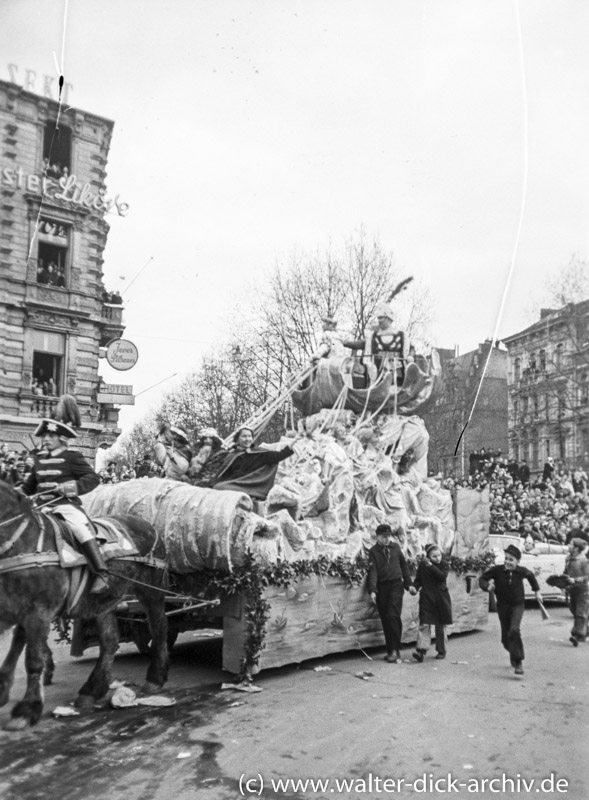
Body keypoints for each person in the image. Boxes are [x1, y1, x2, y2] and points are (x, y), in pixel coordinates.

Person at [19, 418, 109, 595]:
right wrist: (17, 492)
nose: (45, 439)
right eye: (44, 436)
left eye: (50, 436)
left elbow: (92, 478)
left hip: (64, 506)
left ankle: (101, 573)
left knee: (80, 529)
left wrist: (71, 487)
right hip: (40, 508)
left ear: (61, 438)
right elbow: (28, 487)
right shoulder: (39, 459)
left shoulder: (72, 457)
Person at [479, 544, 542, 676]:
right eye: (506, 559)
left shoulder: (521, 571)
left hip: (518, 605)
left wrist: (537, 592)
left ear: (517, 561)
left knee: (514, 629)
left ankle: (517, 661)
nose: (508, 562)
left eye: (511, 560)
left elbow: (531, 576)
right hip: (502, 606)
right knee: (505, 639)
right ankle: (513, 651)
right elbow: (482, 578)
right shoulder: (497, 570)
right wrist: (487, 586)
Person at [367, 523, 415, 663]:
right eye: (384, 537)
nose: (387, 539)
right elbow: (373, 571)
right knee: (386, 618)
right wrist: (373, 590)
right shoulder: (373, 551)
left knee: (393, 615)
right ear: (378, 537)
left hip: (396, 585)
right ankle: (391, 650)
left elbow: (404, 567)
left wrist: (409, 585)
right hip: (382, 587)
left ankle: (395, 650)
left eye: (388, 536)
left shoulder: (396, 548)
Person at [212, 427, 300, 500]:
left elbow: (279, 456)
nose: (247, 439)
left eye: (249, 436)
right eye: (244, 436)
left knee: (220, 487)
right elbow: (223, 473)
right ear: (237, 439)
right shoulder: (232, 454)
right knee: (217, 486)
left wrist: (291, 444)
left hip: (249, 485)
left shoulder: (259, 453)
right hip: (233, 482)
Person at [412, 543, 453, 662]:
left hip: (441, 599)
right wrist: (414, 587)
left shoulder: (444, 565)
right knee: (424, 624)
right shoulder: (423, 565)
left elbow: (441, 577)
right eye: (434, 556)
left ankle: (441, 650)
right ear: (428, 556)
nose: (438, 558)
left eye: (439, 555)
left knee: (441, 626)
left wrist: (430, 566)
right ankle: (421, 650)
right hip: (427, 598)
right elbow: (418, 579)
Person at [564, 538, 589, 646]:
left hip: (582, 590)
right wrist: (562, 581)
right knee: (575, 611)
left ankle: (576, 635)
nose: (568, 546)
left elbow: (587, 576)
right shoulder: (568, 558)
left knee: (580, 612)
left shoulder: (583, 560)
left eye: (570, 544)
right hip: (572, 589)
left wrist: (576, 580)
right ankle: (585, 632)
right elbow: (566, 572)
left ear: (576, 548)